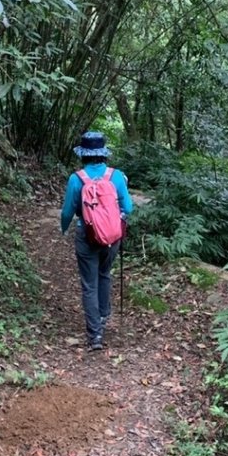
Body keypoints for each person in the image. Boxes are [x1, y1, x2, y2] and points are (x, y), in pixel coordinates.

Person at [60, 131, 134, 351]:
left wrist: (64, 229)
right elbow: (128, 208)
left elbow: (67, 212)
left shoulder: (77, 179)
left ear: (83, 154)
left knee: (89, 284)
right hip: (112, 237)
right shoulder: (117, 176)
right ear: (103, 154)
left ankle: (95, 337)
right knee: (104, 274)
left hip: (87, 235)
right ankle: (103, 316)